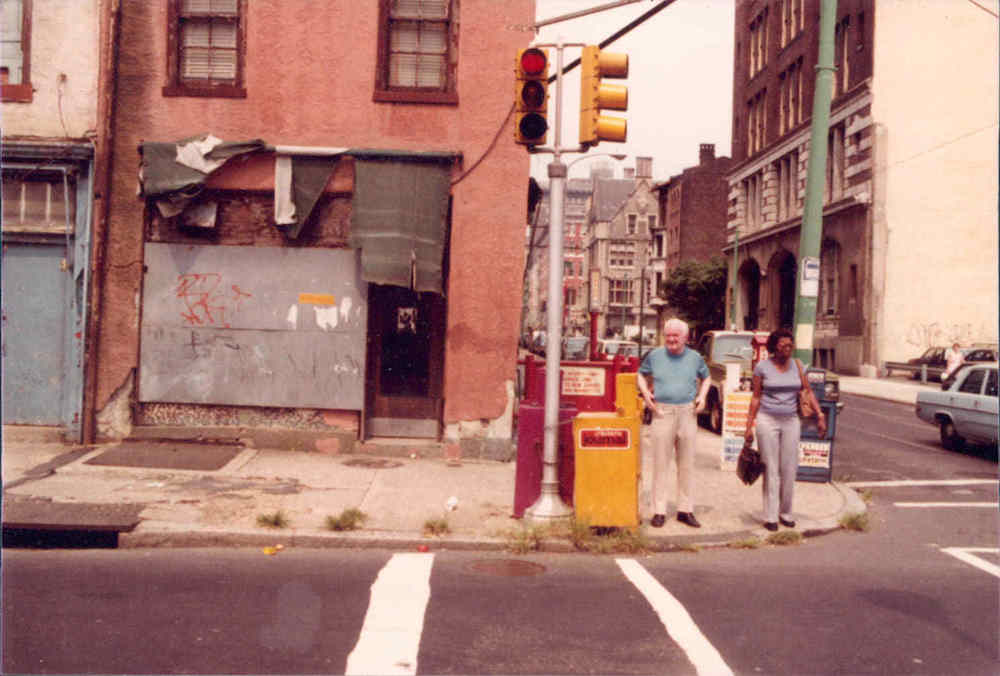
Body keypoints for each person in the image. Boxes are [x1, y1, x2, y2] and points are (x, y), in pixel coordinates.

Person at [743, 328, 826, 531]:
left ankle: (786, 513)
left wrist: (820, 414)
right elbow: (755, 397)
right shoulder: (762, 368)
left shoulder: (797, 366)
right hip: (767, 420)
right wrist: (748, 426)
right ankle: (770, 516)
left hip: (790, 420)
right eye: (783, 346)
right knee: (770, 468)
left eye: (790, 345)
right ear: (774, 347)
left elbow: (806, 391)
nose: (787, 350)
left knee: (789, 468)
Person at [637, 318, 711, 528]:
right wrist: (646, 394)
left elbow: (706, 378)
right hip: (662, 412)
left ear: (685, 338)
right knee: (660, 464)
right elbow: (640, 375)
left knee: (686, 465)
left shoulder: (695, 357)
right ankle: (659, 510)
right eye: (668, 335)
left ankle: (685, 510)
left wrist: (702, 397)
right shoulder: (655, 355)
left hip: (687, 412)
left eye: (675, 336)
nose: (671, 339)